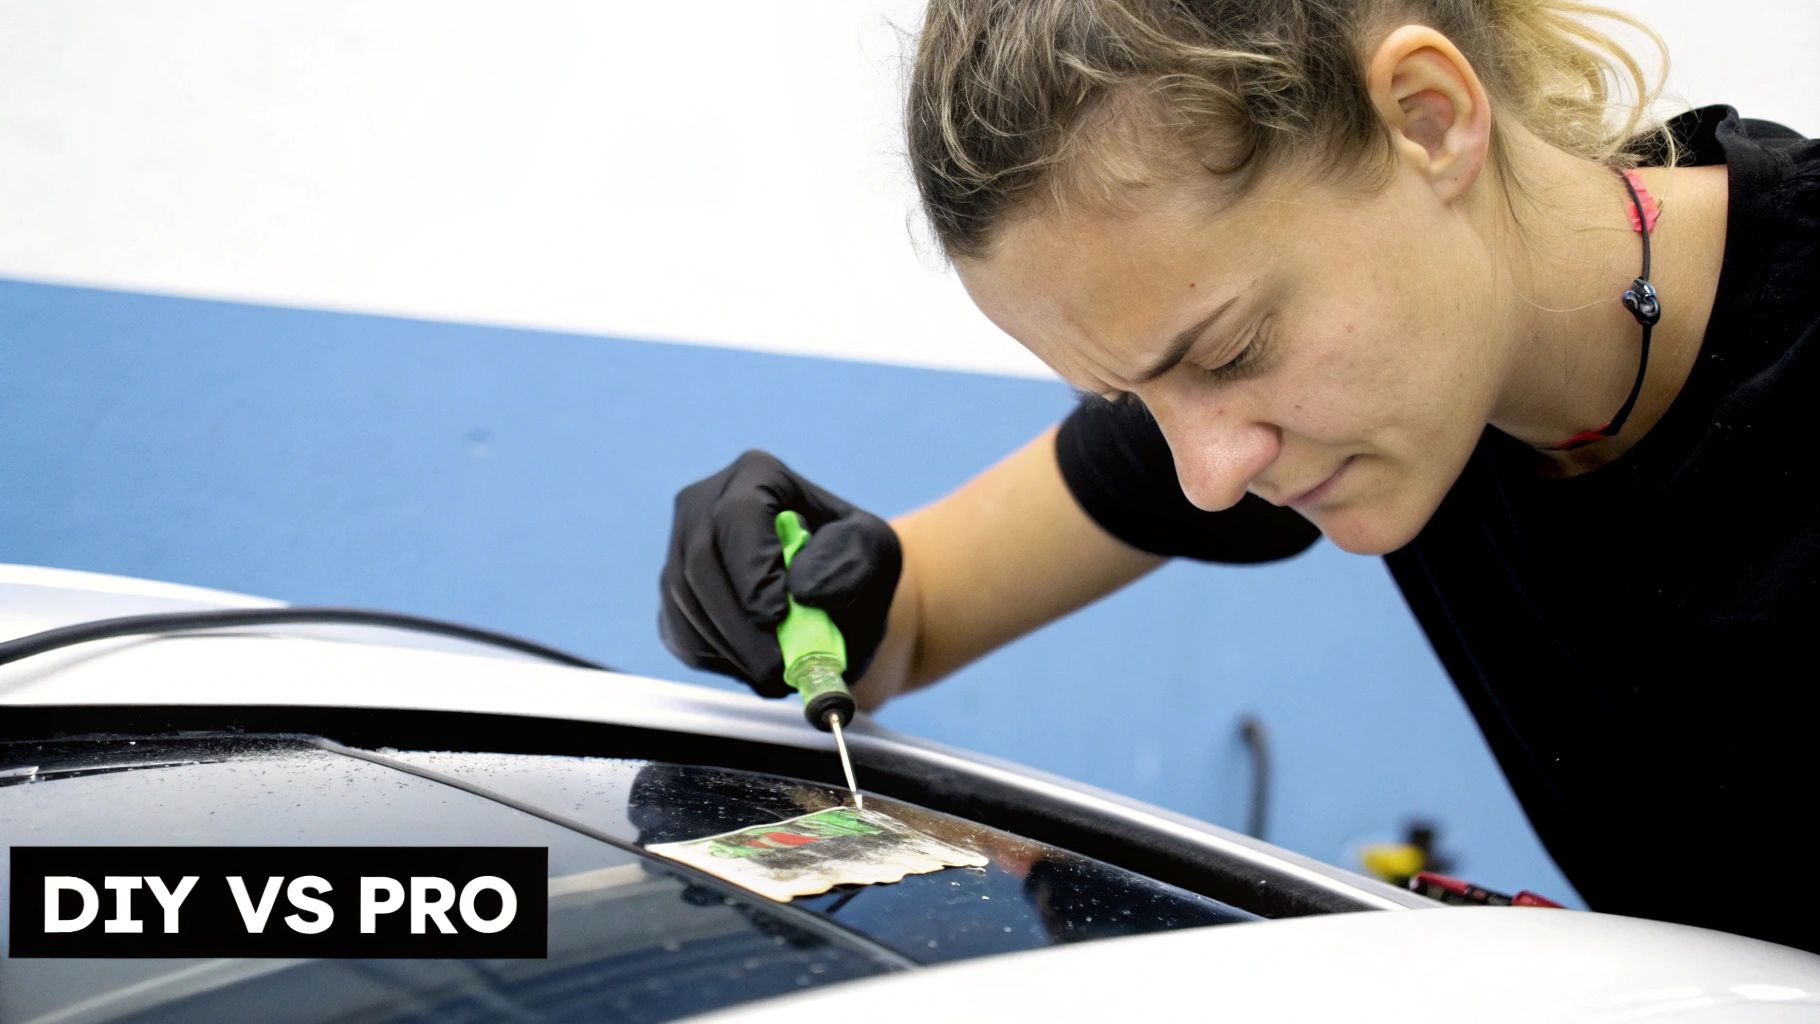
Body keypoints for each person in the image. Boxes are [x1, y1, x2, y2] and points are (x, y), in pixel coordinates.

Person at [660, 0, 1818, 950]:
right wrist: (808, 593)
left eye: (1227, 353)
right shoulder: (1375, 360)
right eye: (1127, 398)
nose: (1206, 473)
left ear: (1427, 119)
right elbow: (908, 615)